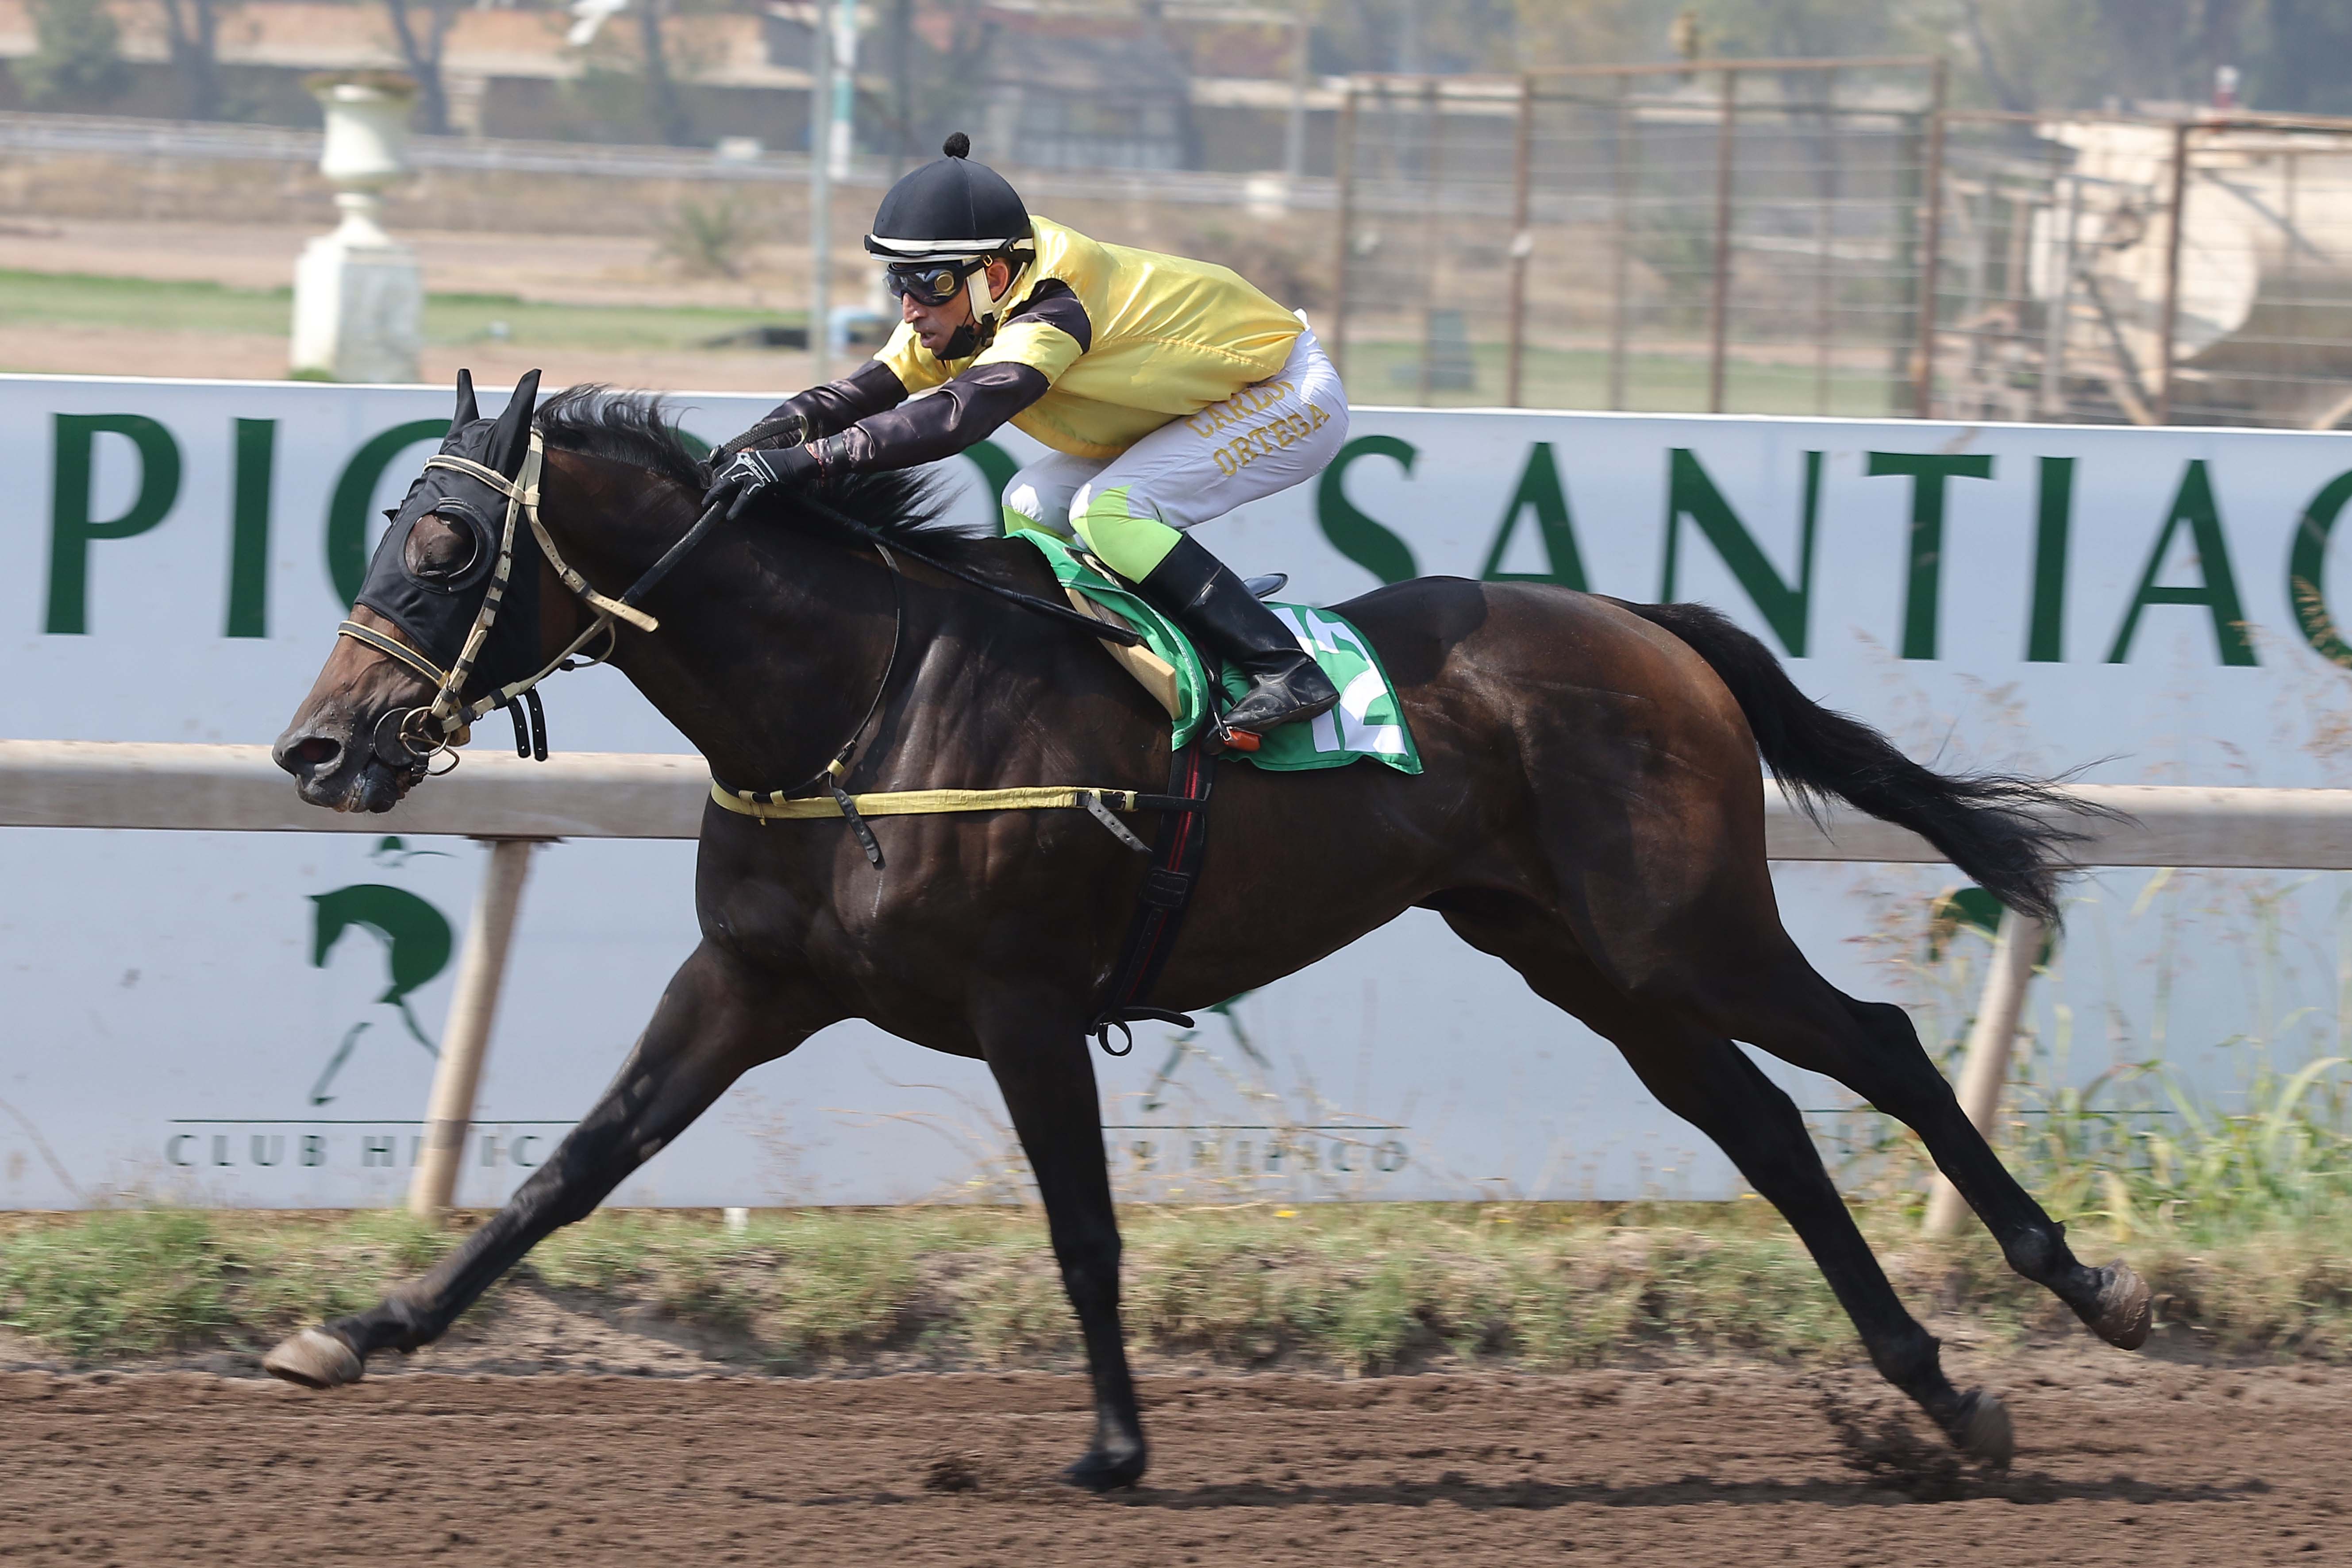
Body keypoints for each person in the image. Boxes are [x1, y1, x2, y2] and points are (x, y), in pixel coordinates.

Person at [704, 132, 1349, 744]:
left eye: (929, 283)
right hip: (1197, 396)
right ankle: (1122, 646)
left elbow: (958, 415)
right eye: (899, 279)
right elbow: (852, 397)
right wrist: (753, 443)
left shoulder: (1055, 307)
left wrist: (807, 462)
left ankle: (1284, 668)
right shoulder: (969, 299)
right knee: (1030, 504)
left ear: (992, 276)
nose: (910, 307)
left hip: (1285, 391)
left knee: (1107, 511)